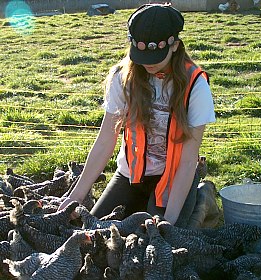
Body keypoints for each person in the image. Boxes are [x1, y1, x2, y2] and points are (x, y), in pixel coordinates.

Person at [58, 3, 216, 226]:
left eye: (155, 57)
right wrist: (75, 197)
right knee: (96, 233)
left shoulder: (195, 85)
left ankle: (202, 196)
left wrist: (168, 223)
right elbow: (105, 141)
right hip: (130, 176)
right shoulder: (122, 78)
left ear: (175, 46)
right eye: (142, 56)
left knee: (158, 244)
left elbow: (189, 159)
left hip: (173, 177)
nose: (148, 64)